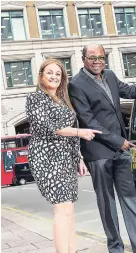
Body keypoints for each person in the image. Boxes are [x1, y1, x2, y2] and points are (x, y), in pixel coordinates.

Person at [68, 43, 136, 253]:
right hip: (98, 153)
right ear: (83, 59)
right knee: (107, 204)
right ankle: (115, 248)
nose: (97, 61)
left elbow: (133, 91)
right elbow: (88, 120)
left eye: (100, 57)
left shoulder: (109, 75)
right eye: (92, 57)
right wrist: (118, 141)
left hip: (120, 152)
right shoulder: (76, 84)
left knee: (130, 201)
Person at [25, 58, 102, 253]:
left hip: (66, 158)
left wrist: (79, 158)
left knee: (69, 209)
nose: (54, 77)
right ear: (41, 76)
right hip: (46, 157)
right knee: (61, 208)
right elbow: (47, 127)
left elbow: (72, 131)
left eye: (58, 74)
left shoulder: (63, 100)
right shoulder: (35, 99)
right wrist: (80, 132)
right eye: (50, 72)